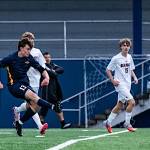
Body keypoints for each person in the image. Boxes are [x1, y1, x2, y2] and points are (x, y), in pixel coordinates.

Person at [0, 39, 55, 136]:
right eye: (27, 49)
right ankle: (53, 106)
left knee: (36, 106)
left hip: (25, 84)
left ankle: (19, 123)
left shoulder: (29, 58)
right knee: (35, 97)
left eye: (30, 49)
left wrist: (46, 77)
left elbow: (40, 68)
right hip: (14, 86)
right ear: (21, 48)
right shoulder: (10, 58)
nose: (29, 52)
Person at [13, 32, 48, 135]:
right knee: (35, 103)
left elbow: (42, 66)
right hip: (25, 82)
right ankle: (40, 126)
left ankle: (17, 109)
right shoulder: (20, 52)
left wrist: (45, 77)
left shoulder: (37, 52)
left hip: (36, 81)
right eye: (27, 38)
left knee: (30, 105)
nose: (30, 40)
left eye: (31, 38)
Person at [103, 38, 138, 133]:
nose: (126, 47)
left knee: (119, 105)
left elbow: (131, 69)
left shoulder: (130, 57)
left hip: (128, 84)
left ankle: (108, 122)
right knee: (132, 102)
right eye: (124, 45)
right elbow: (108, 70)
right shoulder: (116, 58)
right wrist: (113, 80)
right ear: (121, 47)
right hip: (120, 84)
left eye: (127, 45)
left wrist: (134, 77)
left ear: (129, 47)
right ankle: (127, 123)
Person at [39, 52, 71, 129]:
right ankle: (41, 124)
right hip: (46, 90)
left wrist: (53, 71)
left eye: (48, 57)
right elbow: (53, 74)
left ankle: (63, 123)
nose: (47, 59)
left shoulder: (53, 65)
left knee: (58, 105)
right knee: (44, 107)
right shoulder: (42, 66)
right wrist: (53, 72)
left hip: (55, 89)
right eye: (45, 57)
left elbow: (61, 69)